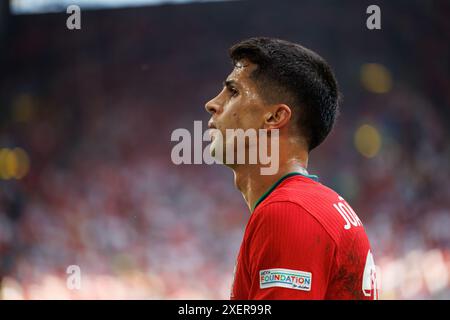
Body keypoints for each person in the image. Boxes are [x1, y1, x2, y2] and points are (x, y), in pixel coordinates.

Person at [204, 37, 378, 299]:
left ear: (275, 117)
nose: (212, 103)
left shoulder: (288, 213)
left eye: (233, 91)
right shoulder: (308, 205)